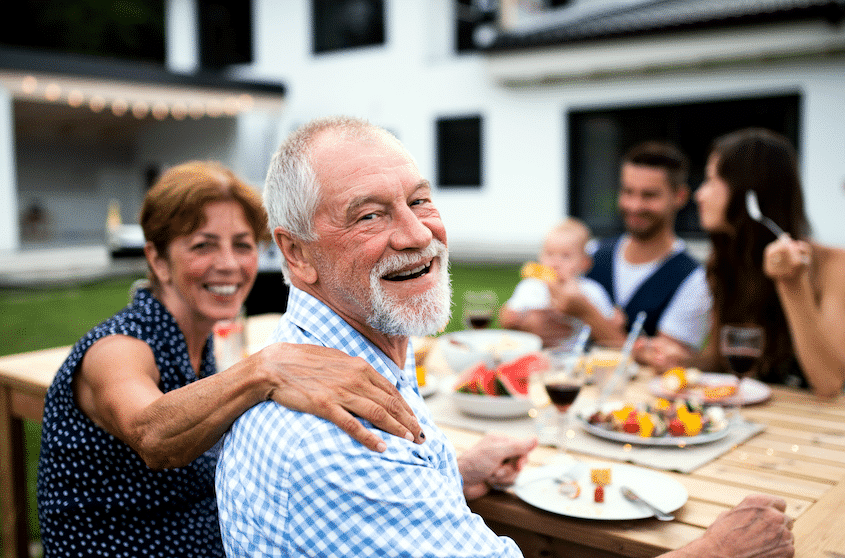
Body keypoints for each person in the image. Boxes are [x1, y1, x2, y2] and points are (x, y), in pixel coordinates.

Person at [216, 116, 794, 558]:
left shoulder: (349, 358)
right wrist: (716, 550)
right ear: (295, 252)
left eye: (419, 200)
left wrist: (453, 473)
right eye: (370, 215)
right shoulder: (336, 442)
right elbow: (364, 483)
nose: (418, 233)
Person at [36, 161, 424, 558]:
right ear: (157, 259)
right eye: (203, 245)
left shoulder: (197, 339)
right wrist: (264, 369)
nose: (229, 264)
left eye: (242, 244)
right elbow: (150, 435)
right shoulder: (119, 346)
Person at [691, 127, 845, 397]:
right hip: (746, 423)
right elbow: (718, 360)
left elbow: (830, 384)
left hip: (810, 430)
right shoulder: (725, 262)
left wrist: (792, 285)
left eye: (711, 181)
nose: (699, 195)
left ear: (749, 193)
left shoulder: (833, 265)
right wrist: (676, 361)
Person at [586, 141, 711, 369]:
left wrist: (589, 315)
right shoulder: (593, 253)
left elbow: (663, 363)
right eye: (628, 192)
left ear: (680, 196)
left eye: (649, 195)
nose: (634, 205)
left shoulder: (694, 280)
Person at [499, 217, 624, 347]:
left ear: (584, 263)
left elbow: (610, 322)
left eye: (565, 256)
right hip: (537, 354)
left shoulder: (591, 290)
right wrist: (514, 318)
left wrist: (616, 320)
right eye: (549, 254)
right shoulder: (530, 287)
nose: (555, 263)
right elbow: (510, 315)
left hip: (578, 357)